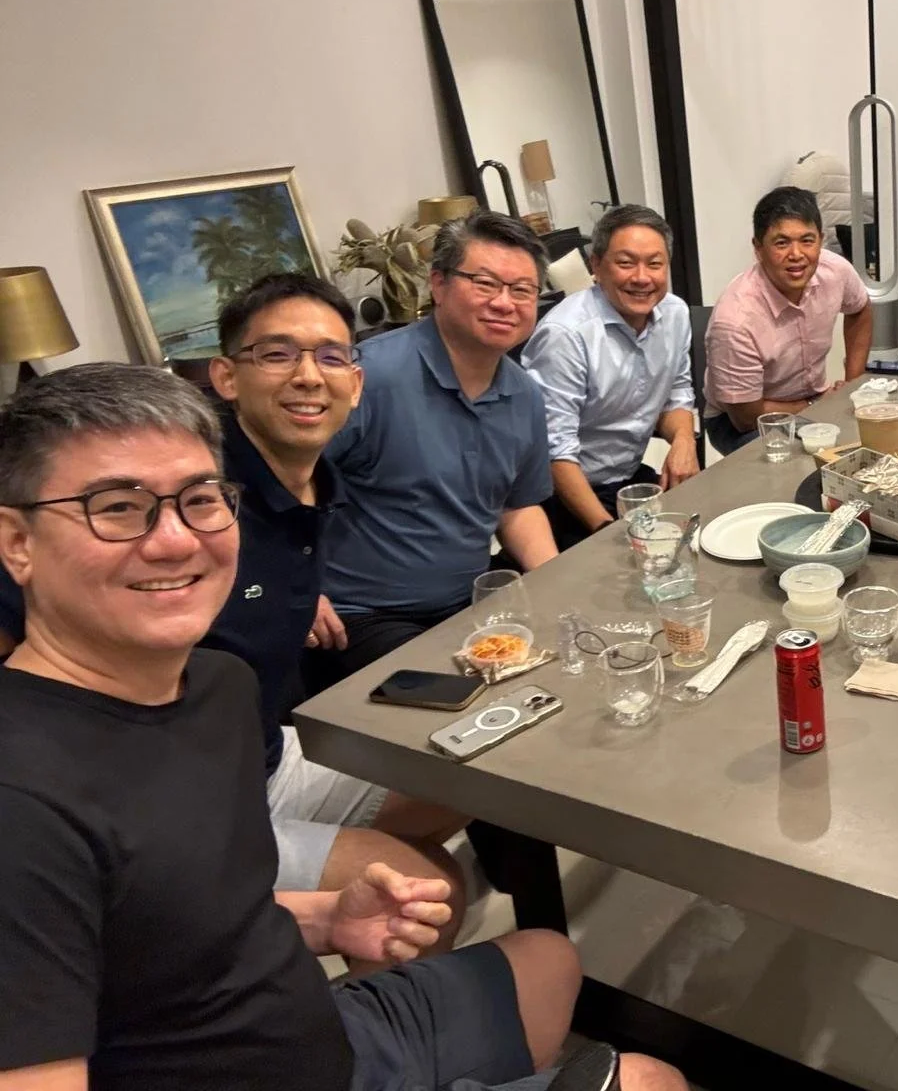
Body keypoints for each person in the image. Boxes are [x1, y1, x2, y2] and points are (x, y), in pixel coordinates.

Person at [0, 364, 685, 1091]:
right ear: (17, 542)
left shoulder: (217, 688)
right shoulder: (24, 809)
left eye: (200, 500)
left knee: (551, 959)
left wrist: (326, 920)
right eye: (117, 507)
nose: (174, 541)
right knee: (650, 1079)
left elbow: (189, 916)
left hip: (320, 1033)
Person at [0, 279, 465, 913]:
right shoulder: (200, 486)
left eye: (330, 357)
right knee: (422, 889)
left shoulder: (304, 487)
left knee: (473, 785)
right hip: (163, 808)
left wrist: (305, 593)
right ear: (225, 376)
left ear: (356, 384)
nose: (307, 376)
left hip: (260, 756)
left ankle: (269, 927)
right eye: (277, 354)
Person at [307, 210, 558, 688]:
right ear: (438, 284)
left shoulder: (524, 395)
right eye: (485, 283)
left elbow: (518, 505)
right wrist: (294, 590)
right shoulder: (369, 378)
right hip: (361, 616)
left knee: (563, 667)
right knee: (454, 700)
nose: (505, 303)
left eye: (522, 290)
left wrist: (559, 586)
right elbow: (277, 483)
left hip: (466, 603)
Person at [524, 204, 697, 550]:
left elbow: (676, 391)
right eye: (626, 262)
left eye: (654, 263)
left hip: (629, 480)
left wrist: (684, 440)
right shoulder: (566, 335)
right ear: (596, 267)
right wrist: (608, 530)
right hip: (566, 495)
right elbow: (554, 452)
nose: (642, 277)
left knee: (697, 538)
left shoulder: (674, 314)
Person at [703, 186, 872, 454]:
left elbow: (860, 309)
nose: (797, 254)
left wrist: (852, 381)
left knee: (876, 434)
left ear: (820, 239)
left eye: (807, 240)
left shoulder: (835, 269)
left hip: (813, 399)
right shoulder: (735, 321)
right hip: (740, 421)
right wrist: (815, 407)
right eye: (781, 243)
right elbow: (745, 418)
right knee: (808, 462)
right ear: (758, 248)